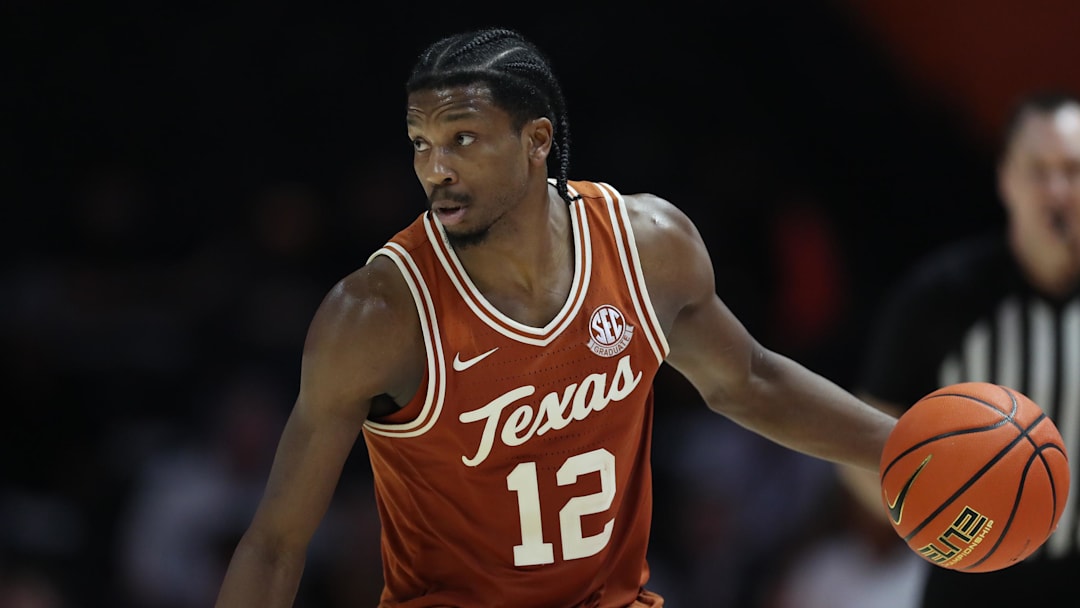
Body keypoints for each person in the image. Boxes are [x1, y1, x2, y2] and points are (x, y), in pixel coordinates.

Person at [213, 27, 897, 608]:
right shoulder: (378, 314)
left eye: (462, 138)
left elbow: (747, 380)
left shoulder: (648, 247)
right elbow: (275, 544)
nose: (437, 168)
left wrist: (902, 449)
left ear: (536, 139)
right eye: (422, 143)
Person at [843, 90, 1080, 607]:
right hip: (971, 586)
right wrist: (927, 511)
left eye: (1073, 169)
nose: (1057, 190)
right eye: (1039, 170)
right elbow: (860, 436)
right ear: (1005, 179)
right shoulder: (940, 297)